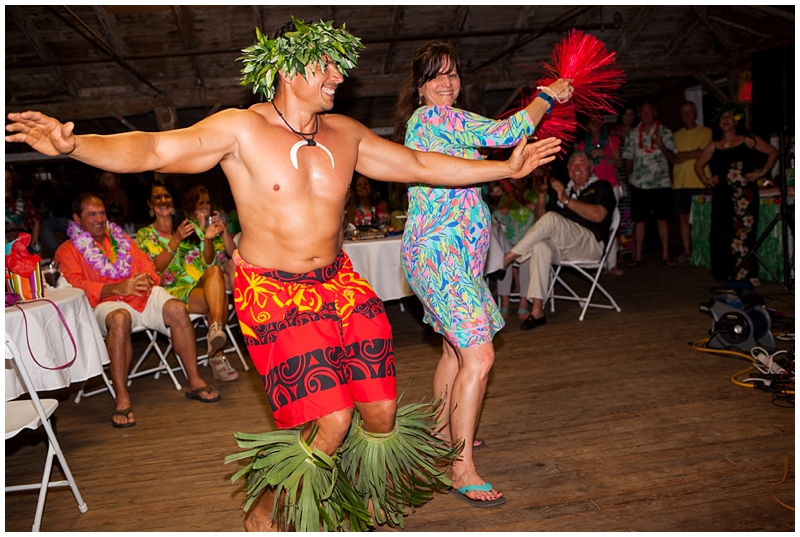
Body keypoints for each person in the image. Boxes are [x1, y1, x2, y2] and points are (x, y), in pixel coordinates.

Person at [7, 18, 561, 531]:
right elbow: (154, 147)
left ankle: (361, 510)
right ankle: (265, 515)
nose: (339, 76)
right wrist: (77, 145)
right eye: (326, 65)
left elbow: (417, 165)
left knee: (381, 412)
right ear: (289, 69)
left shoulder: (345, 132)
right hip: (271, 291)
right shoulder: (240, 130)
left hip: (341, 283)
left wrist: (502, 166)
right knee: (333, 420)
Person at [393, 40, 573, 507]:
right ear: (420, 88)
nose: (446, 82)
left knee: (456, 351)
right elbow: (510, 129)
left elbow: (496, 151)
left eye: (452, 73)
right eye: (435, 75)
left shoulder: (448, 124)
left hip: (449, 257)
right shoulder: (435, 119)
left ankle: (440, 433)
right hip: (441, 257)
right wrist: (548, 95)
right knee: (480, 356)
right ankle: (460, 467)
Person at [54, 194, 220, 428]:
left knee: (176, 308)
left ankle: (194, 381)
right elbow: (76, 285)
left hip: (140, 295)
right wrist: (118, 287)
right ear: (76, 219)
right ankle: (122, 398)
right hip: (106, 302)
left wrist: (144, 279)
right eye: (92, 214)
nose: (100, 218)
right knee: (120, 320)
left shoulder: (122, 239)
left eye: (102, 213)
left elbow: (148, 267)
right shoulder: (67, 250)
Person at [136, 180, 239, 382]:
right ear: (150, 203)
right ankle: (217, 354)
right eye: (158, 197)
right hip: (173, 291)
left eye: (167, 196)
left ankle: (215, 328)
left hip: (202, 283)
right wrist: (175, 240)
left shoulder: (188, 227)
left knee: (216, 270)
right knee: (217, 301)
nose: (163, 200)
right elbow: (155, 268)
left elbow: (207, 260)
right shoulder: (145, 235)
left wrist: (207, 239)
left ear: (173, 201)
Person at [503, 151, 617, 329]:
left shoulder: (602, 186)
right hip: (565, 249)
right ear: (568, 168)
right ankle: (538, 311)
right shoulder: (562, 191)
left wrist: (565, 199)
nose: (577, 167)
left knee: (552, 218)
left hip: (591, 246)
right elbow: (541, 223)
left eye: (582, 163)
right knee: (541, 246)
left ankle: (508, 258)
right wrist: (541, 197)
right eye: (573, 163)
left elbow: (599, 215)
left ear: (591, 168)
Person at [693, 103, 778, 282]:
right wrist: (706, 179)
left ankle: (748, 274)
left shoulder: (748, 139)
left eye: (729, 117)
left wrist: (761, 172)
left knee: (744, 233)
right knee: (721, 234)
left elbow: (773, 152)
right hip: (722, 196)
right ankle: (725, 273)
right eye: (722, 118)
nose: (725, 121)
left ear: (736, 121)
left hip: (744, 196)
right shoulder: (714, 145)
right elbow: (698, 164)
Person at [622, 102, 677, 267]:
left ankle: (666, 254)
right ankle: (638, 255)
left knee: (662, 219)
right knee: (639, 220)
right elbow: (628, 160)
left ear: (654, 113)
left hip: (661, 182)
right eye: (643, 112)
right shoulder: (632, 135)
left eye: (648, 112)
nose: (645, 115)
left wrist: (661, 145)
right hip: (639, 183)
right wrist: (629, 180)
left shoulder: (665, 132)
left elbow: (673, 159)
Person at [575, 116, 623, 275]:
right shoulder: (582, 145)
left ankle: (612, 262)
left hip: (611, 186)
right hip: (591, 186)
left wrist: (604, 156)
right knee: (593, 225)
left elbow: (619, 163)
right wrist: (590, 157)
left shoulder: (611, 140)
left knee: (612, 223)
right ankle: (596, 264)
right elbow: (579, 166)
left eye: (597, 121)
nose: (594, 124)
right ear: (587, 125)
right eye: (591, 122)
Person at [672, 101, 713, 264]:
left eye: (690, 112)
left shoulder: (706, 131)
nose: (688, 115)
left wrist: (684, 155)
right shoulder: (675, 136)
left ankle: (703, 250)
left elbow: (704, 153)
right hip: (680, 182)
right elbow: (674, 158)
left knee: (701, 218)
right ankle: (687, 251)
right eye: (684, 113)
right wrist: (694, 153)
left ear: (696, 114)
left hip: (700, 181)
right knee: (683, 218)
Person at [493, 173, 537, 319]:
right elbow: (499, 216)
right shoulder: (507, 197)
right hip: (510, 241)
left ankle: (523, 302)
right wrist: (510, 201)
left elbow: (540, 214)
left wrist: (522, 200)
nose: (519, 182)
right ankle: (505, 303)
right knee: (504, 253)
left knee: (527, 259)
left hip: (530, 241)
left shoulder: (537, 194)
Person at [181, 185, 237, 289]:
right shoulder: (187, 226)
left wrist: (223, 228)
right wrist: (200, 227)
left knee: (233, 264)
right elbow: (193, 254)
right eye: (201, 203)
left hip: (222, 265)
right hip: (200, 270)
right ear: (193, 206)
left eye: (208, 203)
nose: (206, 206)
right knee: (229, 281)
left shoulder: (215, 223)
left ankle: (242, 302)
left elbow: (233, 253)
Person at [5, 167, 42, 250]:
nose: (6, 182)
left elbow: (37, 220)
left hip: (23, 244)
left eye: (9, 178)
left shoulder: (23, 200)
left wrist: (33, 243)